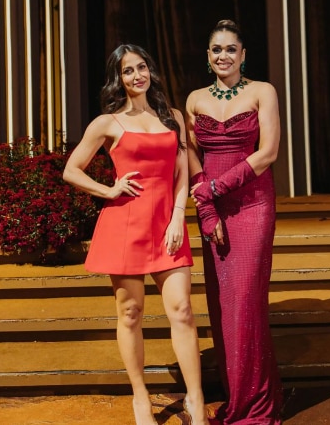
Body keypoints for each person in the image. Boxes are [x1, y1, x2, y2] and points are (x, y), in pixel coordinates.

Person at [63, 44, 208, 425]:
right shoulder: (107, 123)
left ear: (150, 70)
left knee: (182, 310)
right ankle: (140, 397)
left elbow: (182, 172)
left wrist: (178, 217)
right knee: (130, 313)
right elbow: (71, 170)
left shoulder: (172, 117)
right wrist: (109, 190)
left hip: (167, 224)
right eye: (128, 71)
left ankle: (195, 398)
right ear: (118, 78)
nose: (137, 75)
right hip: (125, 224)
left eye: (141, 67)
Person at [185, 20, 283, 425]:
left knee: (245, 302)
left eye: (230, 49)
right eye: (216, 49)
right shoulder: (194, 99)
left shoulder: (263, 92)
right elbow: (191, 156)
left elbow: (268, 152)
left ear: (243, 55)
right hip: (212, 207)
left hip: (252, 203)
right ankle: (237, 394)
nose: (223, 55)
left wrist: (215, 188)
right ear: (208, 57)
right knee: (223, 304)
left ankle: (254, 407)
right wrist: (206, 209)